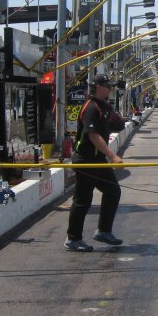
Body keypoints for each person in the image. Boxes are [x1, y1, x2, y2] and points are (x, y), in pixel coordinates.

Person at [65, 73, 127, 252]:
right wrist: (113, 156)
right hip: (86, 160)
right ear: (99, 87)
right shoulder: (91, 108)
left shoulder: (104, 107)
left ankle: (104, 231)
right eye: (108, 86)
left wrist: (118, 118)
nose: (111, 89)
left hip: (98, 159)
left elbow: (117, 124)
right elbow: (93, 135)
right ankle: (73, 238)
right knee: (83, 199)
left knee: (113, 191)